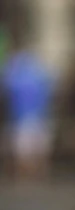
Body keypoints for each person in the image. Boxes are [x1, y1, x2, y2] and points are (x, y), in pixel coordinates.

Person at [1, 46, 55, 180]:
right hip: (37, 119)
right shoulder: (40, 76)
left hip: (23, 120)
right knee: (36, 153)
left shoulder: (15, 76)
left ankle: (26, 177)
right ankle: (37, 176)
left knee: (24, 154)